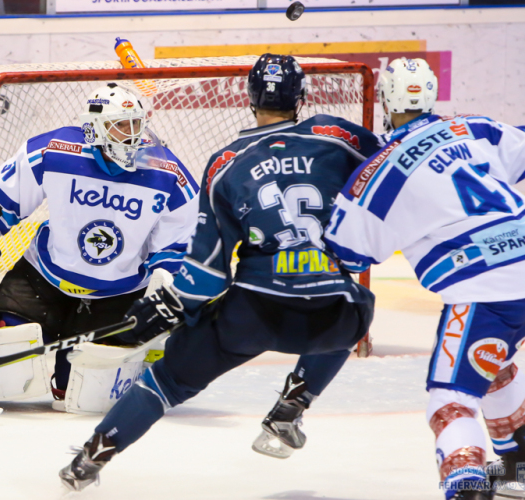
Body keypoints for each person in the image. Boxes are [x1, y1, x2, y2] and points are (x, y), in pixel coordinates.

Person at [58, 53, 385, 491]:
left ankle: (90, 458)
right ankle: (292, 404)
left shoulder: (224, 163)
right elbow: (392, 173)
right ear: (301, 96)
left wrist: (172, 305)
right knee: (356, 303)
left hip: (254, 312)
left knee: (168, 379)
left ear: (249, 99)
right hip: (333, 316)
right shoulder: (339, 136)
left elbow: (208, 275)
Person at [0, 83, 199, 408]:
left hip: (118, 294)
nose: (131, 135)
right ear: (94, 128)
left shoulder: (167, 172)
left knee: (81, 392)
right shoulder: (54, 150)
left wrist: (164, 277)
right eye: (120, 126)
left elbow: (181, 237)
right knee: (9, 355)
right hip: (43, 279)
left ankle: (145, 352)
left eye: (136, 124)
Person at [324, 57, 525, 500]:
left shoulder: (379, 171)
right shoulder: (475, 127)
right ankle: (519, 465)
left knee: (451, 399)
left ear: (384, 101)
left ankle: (468, 487)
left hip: (483, 291)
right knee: (492, 365)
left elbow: (349, 250)